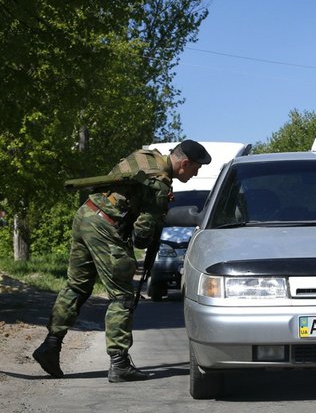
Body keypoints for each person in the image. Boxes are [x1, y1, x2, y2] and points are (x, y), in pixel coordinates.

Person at [32, 140, 212, 382]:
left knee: (77, 286)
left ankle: (50, 346)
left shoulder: (145, 156)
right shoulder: (160, 183)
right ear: (184, 163)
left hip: (86, 214)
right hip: (106, 227)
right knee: (122, 297)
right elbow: (141, 236)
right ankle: (119, 363)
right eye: (196, 168)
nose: (196, 173)